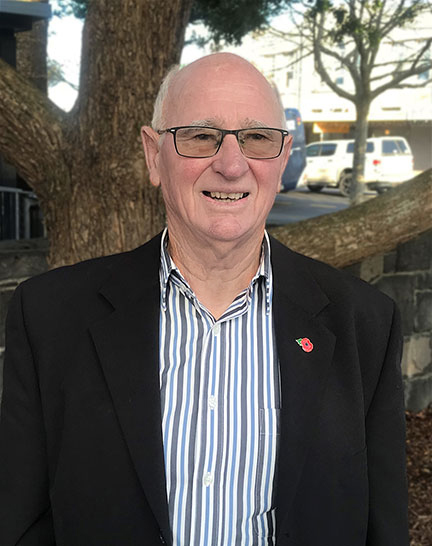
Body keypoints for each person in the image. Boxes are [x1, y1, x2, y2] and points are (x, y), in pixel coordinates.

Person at [0, 53, 408, 546]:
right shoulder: (50, 317)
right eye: (200, 136)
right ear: (154, 156)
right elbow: (21, 522)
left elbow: (381, 526)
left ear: (283, 158)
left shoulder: (364, 324)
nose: (232, 165)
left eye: (257, 138)